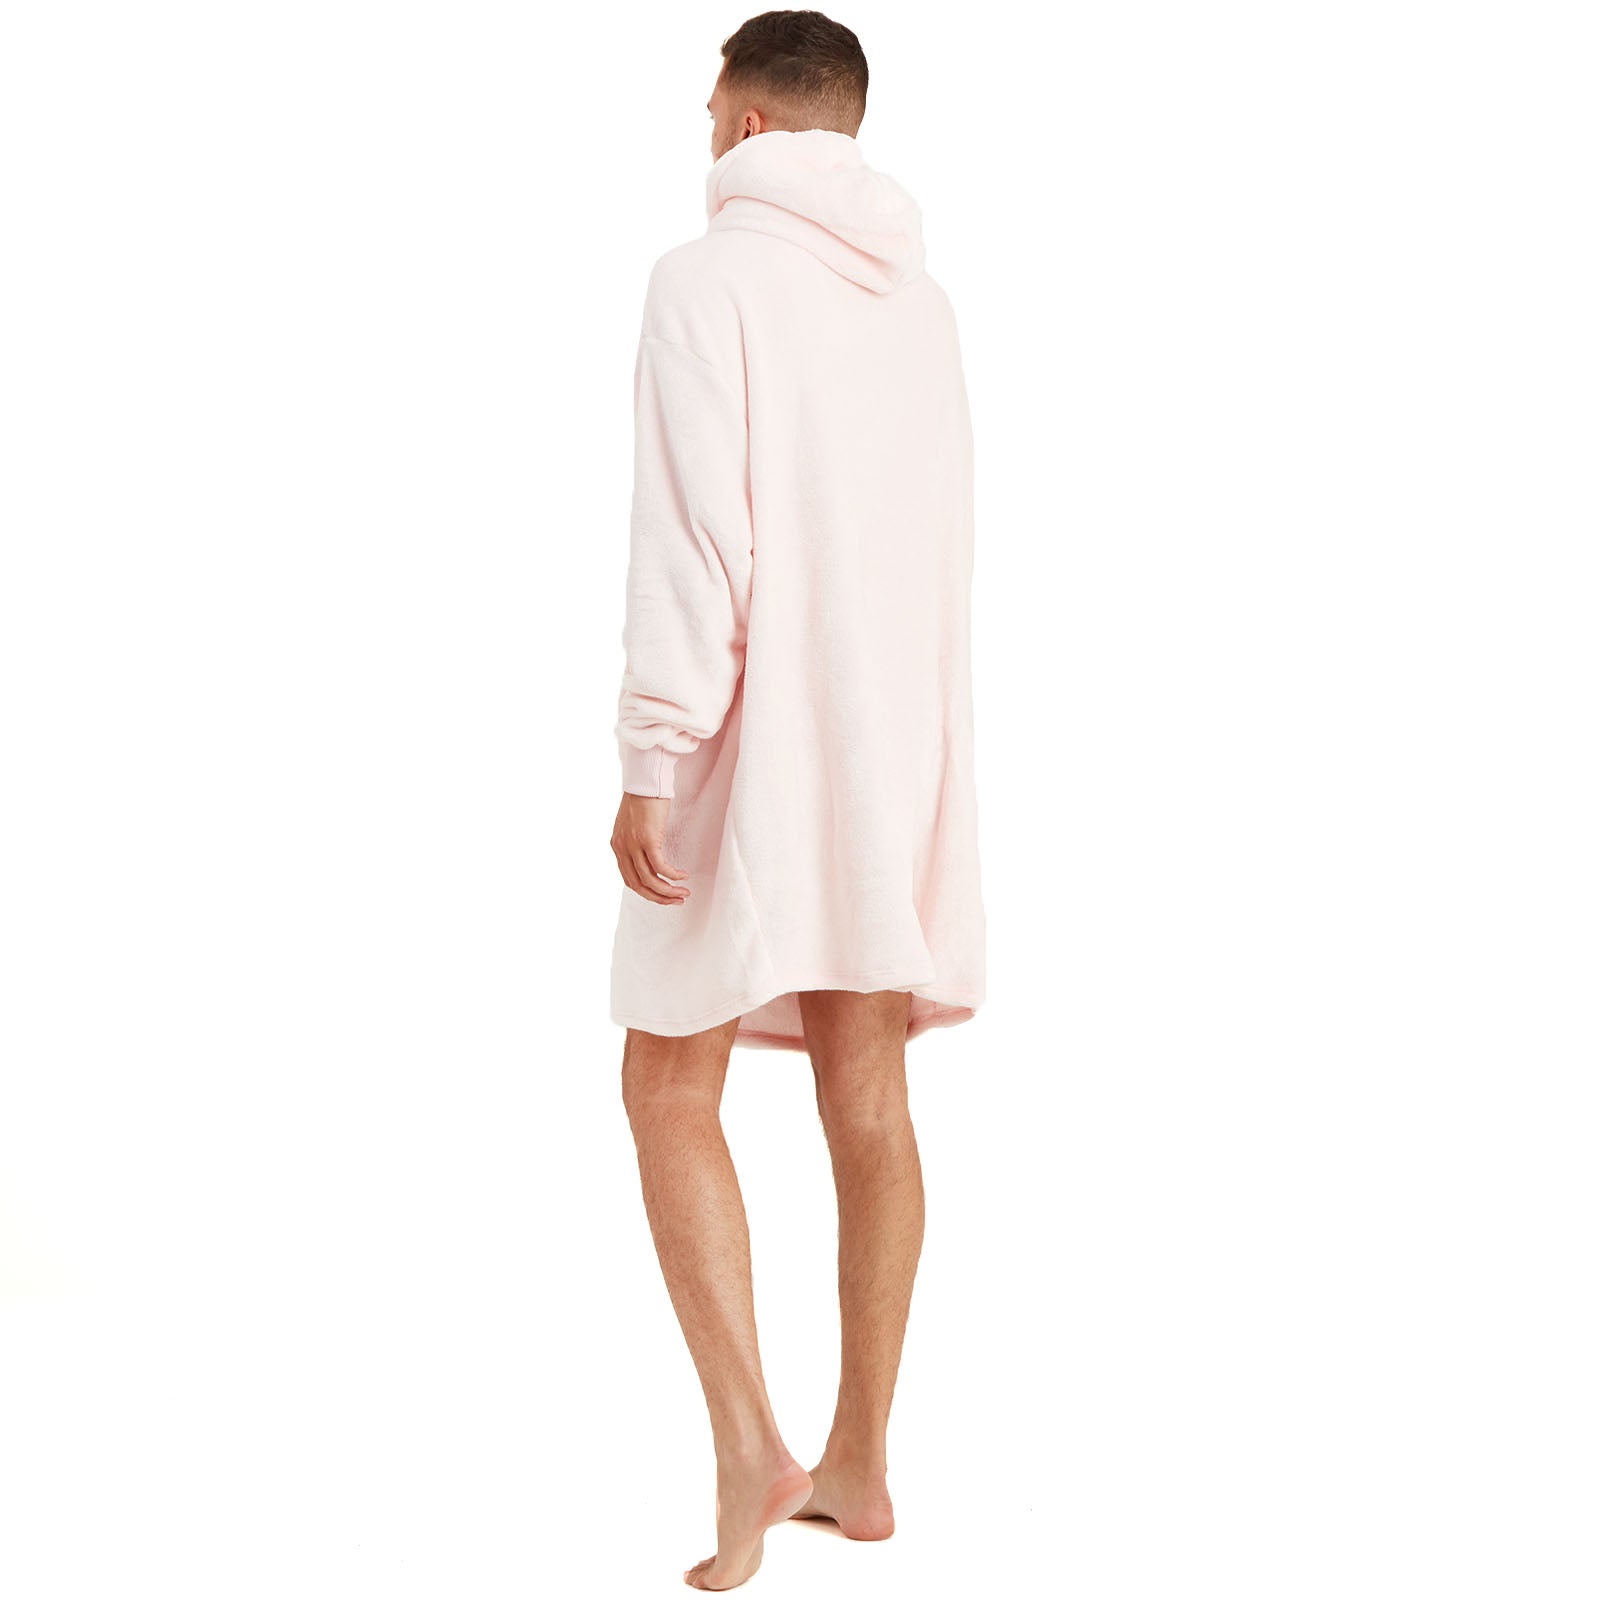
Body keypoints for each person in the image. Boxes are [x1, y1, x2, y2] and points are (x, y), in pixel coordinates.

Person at [607, 10, 986, 1589]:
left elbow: (699, 539)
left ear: (752, 125)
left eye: (711, 114)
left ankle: (747, 1451)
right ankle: (863, 1465)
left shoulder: (707, 279)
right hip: (892, 743)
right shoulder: (922, 300)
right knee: (869, 1090)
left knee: (665, 1080)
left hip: (756, 741)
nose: (704, 138)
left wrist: (655, 753)